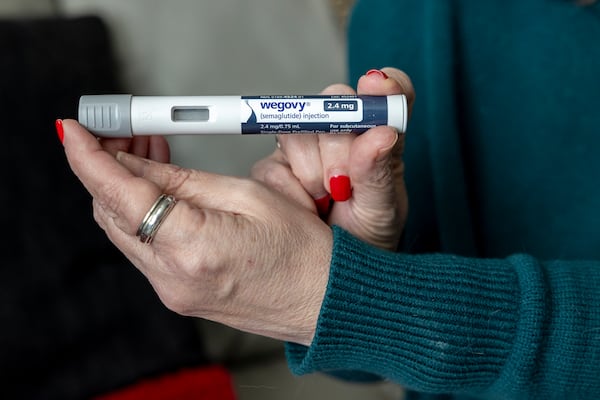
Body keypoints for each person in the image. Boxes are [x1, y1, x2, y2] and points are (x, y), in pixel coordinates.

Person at [56, 0, 600, 399]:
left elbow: (401, 312)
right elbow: (385, 363)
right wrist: (357, 256)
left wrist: (339, 296)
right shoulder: (392, 15)